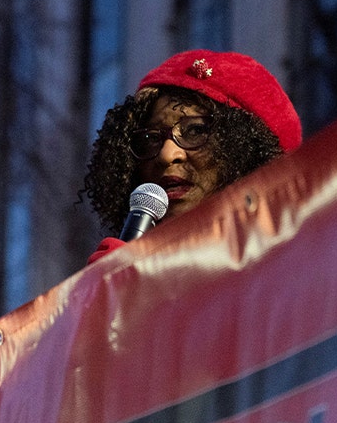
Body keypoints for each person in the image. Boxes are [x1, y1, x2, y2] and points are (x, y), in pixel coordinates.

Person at [83, 49, 302, 263]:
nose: (167, 155)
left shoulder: (294, 270)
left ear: (250, 151)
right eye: (151, 138)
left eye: (195, 131)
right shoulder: (121, 276)